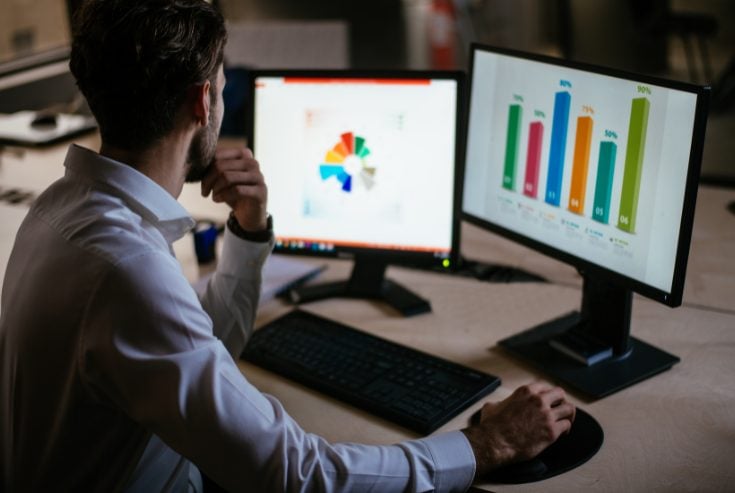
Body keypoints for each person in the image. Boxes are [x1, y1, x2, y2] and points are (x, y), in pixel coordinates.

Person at [0, 1, 576, 491]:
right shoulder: (127, 270)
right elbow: (296, 474)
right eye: (224, 88)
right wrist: (481, 446)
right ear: (203, 102)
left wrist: (249, 231)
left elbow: (196, 359)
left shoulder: (62, 208)